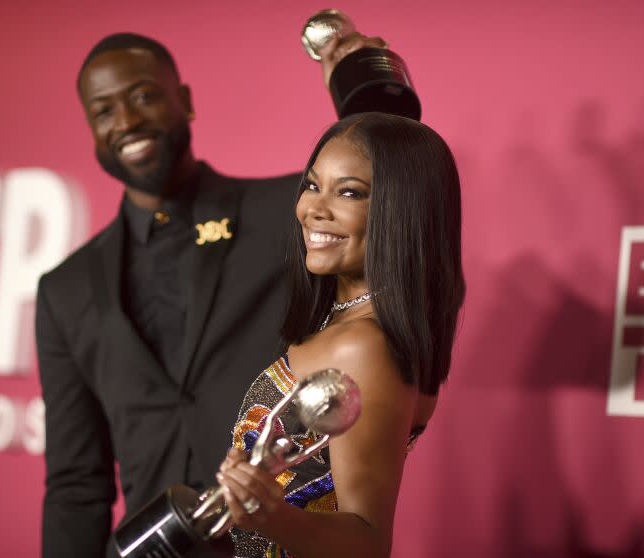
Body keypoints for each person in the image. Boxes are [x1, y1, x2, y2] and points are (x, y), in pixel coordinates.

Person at [35, 32, 387, 558]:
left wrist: (368, 100)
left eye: (143, 96)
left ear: (187, 101)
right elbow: (75, 484)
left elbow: (386, 198)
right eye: (104, 111)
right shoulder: (65, 289)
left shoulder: (281, 215)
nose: (127, 122)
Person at [216, 112, 465, 558]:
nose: (313, 208)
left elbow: (367, 542)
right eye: (312, 185)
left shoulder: (364, 346)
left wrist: (269, 513)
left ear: (402, 209)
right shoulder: (344, 323)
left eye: (349, 192)